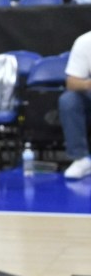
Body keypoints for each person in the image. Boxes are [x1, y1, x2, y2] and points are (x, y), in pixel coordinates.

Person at [60, 30, 91, 179]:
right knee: (69, 100)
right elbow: (71, 82)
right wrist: (88, 84)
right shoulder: (85, 41)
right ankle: (80, 159)